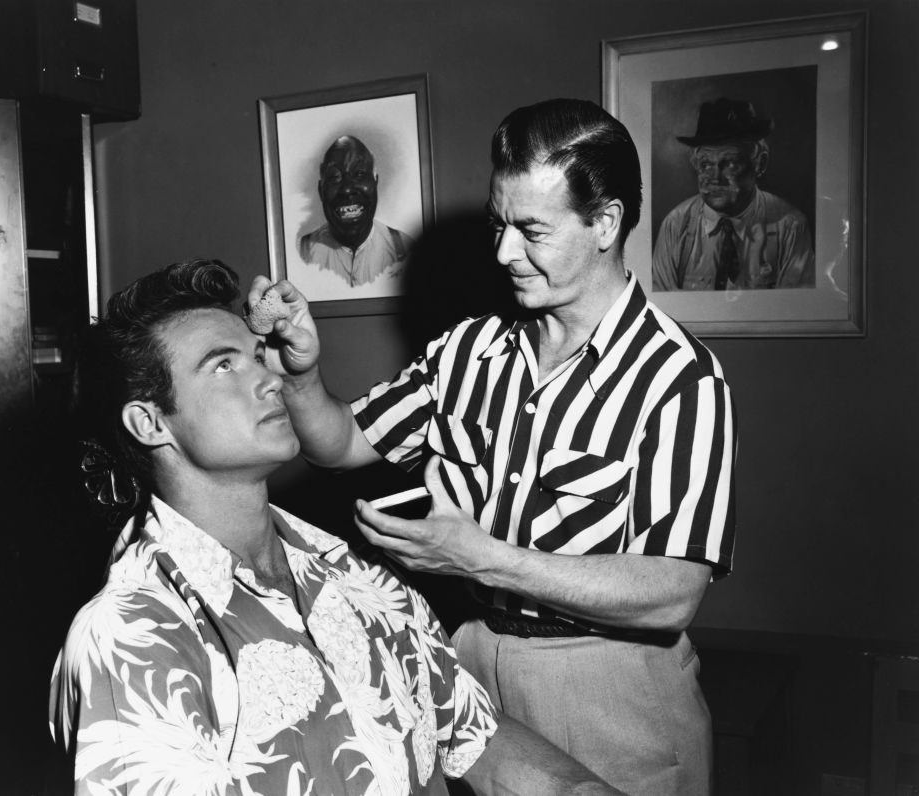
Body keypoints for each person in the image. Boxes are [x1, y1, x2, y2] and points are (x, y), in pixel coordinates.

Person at [257, 98, 737, 795]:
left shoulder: (680, 378)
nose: (504, 252)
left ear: (605, 223)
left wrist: (490, 560)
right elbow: (340, 444)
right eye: (498, 225)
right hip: (472, 663)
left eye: (531, 230)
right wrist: (302, 373)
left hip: (612, 690)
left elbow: (671, 593)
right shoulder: (467, 350)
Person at [48, 258, 620, 795]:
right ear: (149, 422)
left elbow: (479, 740)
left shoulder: (361, 576)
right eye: (224, 365)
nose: (269, 378)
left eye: (258, 355)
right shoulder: (131, 636)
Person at [652, 96, 814, 291]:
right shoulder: (676, 225)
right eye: (706, 164)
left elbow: (794, 312)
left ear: (760, 164)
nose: (714, 177)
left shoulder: (790, 227)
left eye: (730, 163)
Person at [299, 135, 414, 286]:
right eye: (334, 177)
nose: (347, 189)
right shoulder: (304, 251)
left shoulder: (404, 248)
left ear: (375, 182)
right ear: (321, 190)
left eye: (359, 174)